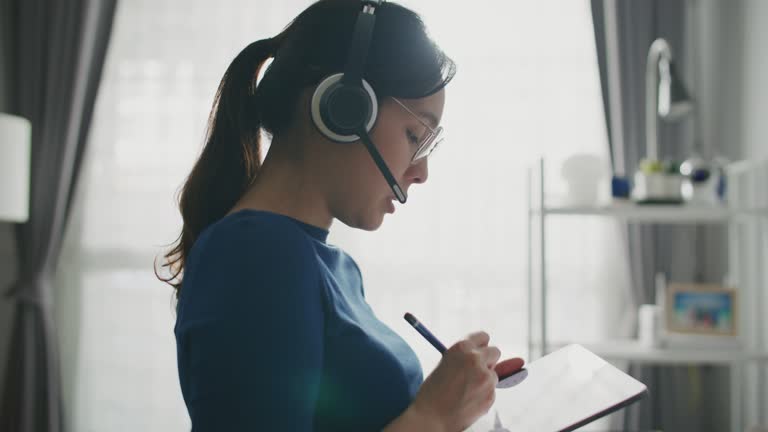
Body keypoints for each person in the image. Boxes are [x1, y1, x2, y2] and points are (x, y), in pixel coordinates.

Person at [157, 1, 514, 430]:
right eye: (414, 135)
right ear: (342, 108)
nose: (420, 172)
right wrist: (432, 416)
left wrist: (454, 401)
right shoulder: (253, 254)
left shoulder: (334, 267)